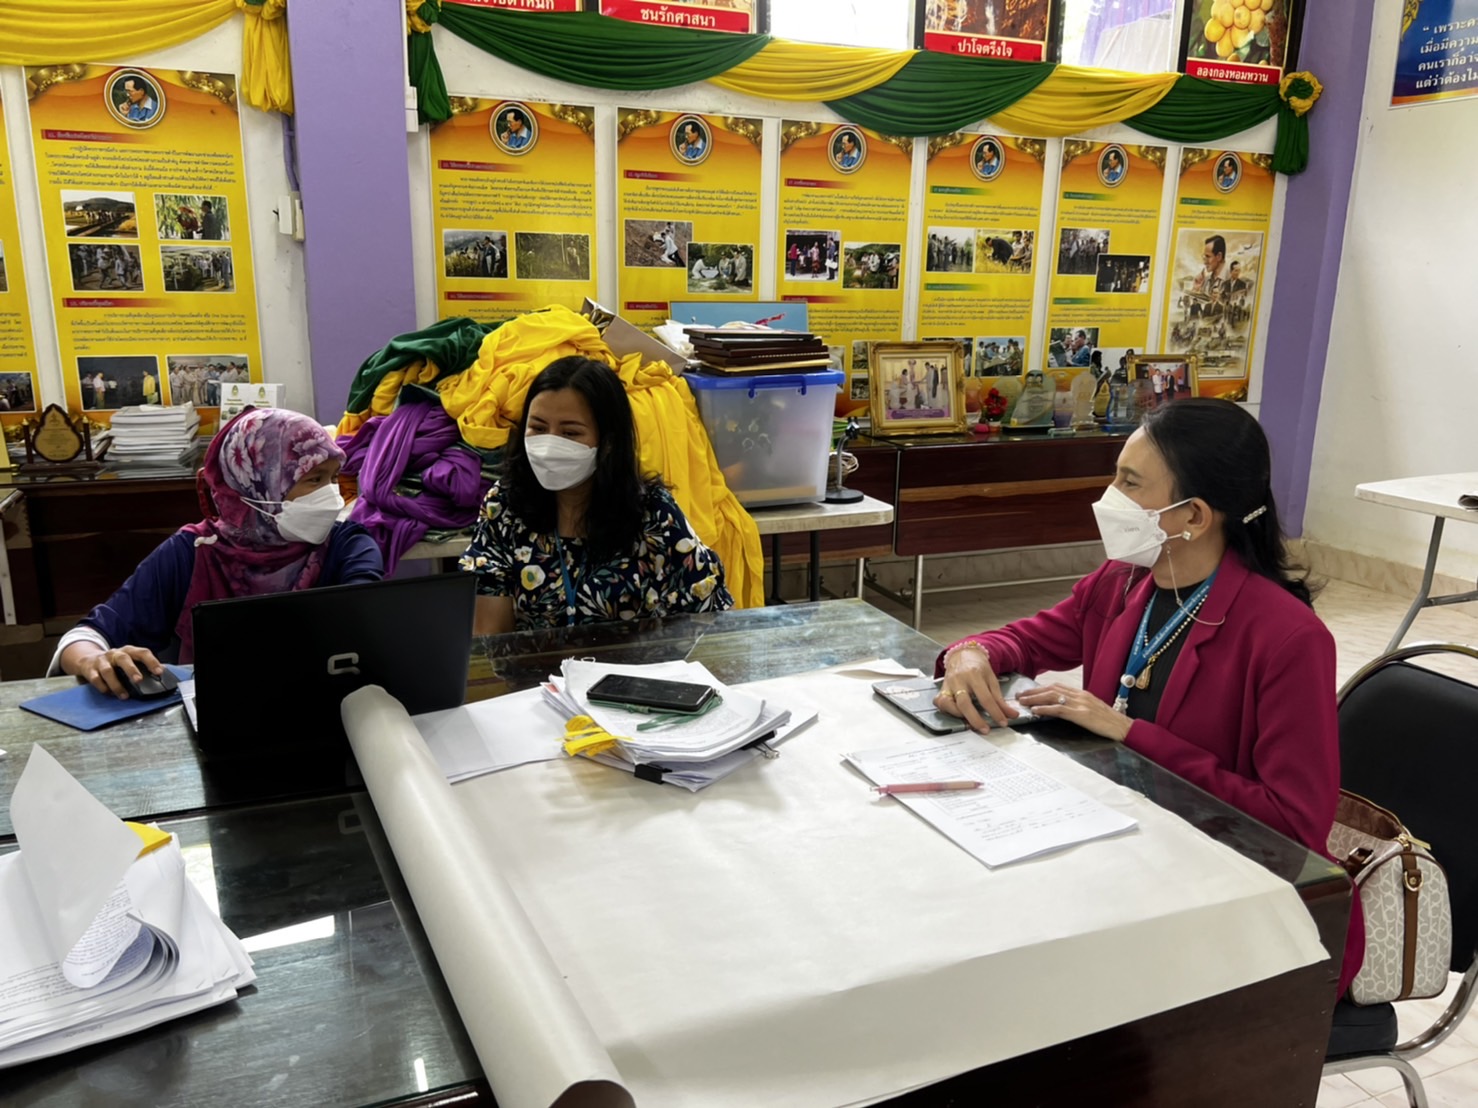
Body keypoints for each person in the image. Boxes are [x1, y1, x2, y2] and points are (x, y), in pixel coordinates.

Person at [932, 398, 1363, 993]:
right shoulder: (1123, 581)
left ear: (1194, 516)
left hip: (1234, 903)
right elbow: (1023, 641)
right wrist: (969, 653)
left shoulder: (1288, 637)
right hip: (1127, 857)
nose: (1109, 497)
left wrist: (1131, 733)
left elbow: (1293, 825)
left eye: (1129, 483)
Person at [52, 409, 384, 697]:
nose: (331, 495)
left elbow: (364, 622)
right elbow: (86, 636)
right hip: (214, 715)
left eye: (333, 478)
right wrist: (92, 659)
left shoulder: (347, 545)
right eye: (314, 479)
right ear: (258, 482)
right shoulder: (193, 552)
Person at [461, 356, 733, 633]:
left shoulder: (654, 515)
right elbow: (489, 636)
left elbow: (708, 621)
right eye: (539, 428)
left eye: (570, 433)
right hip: (533, 663)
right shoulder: (505, 506)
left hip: (635, 662)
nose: (549, 446)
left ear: (609, 442)